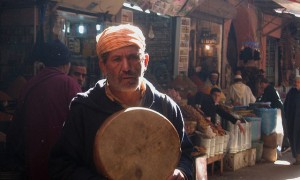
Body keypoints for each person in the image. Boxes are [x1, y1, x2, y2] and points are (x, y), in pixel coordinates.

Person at [49, 24, 194, 179]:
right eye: (117, 59)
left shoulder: (166, 107)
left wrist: (182, 172)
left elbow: (186, 154)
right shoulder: (84, 109)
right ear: (103, 66)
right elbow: (62, 165)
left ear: (145, 61)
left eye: (133, 57)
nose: (126, 67)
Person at [5, 39, 82, 180]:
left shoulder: (30, 84)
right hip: (62, 167)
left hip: (34, 165)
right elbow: (82, 126)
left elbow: (15, 130)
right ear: (67, 64)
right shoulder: (68, 84)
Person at [258, 78, 290, 152]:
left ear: (264, 83)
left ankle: (286, 144)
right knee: (281, 126)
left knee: (281, 127)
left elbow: (264, 100)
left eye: (261, 85)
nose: (261, 87)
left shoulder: (268, 89)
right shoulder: (270, 88)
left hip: (278, 109)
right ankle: (284, 144)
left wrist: (258, 99)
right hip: (278, 108)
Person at [284, 76, 300, 165]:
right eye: (296, 82)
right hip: (293, 121)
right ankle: (298, 158)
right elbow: (286, 105)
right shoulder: (292, 92)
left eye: (299, 82)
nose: (297, 84)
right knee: (294, 137)